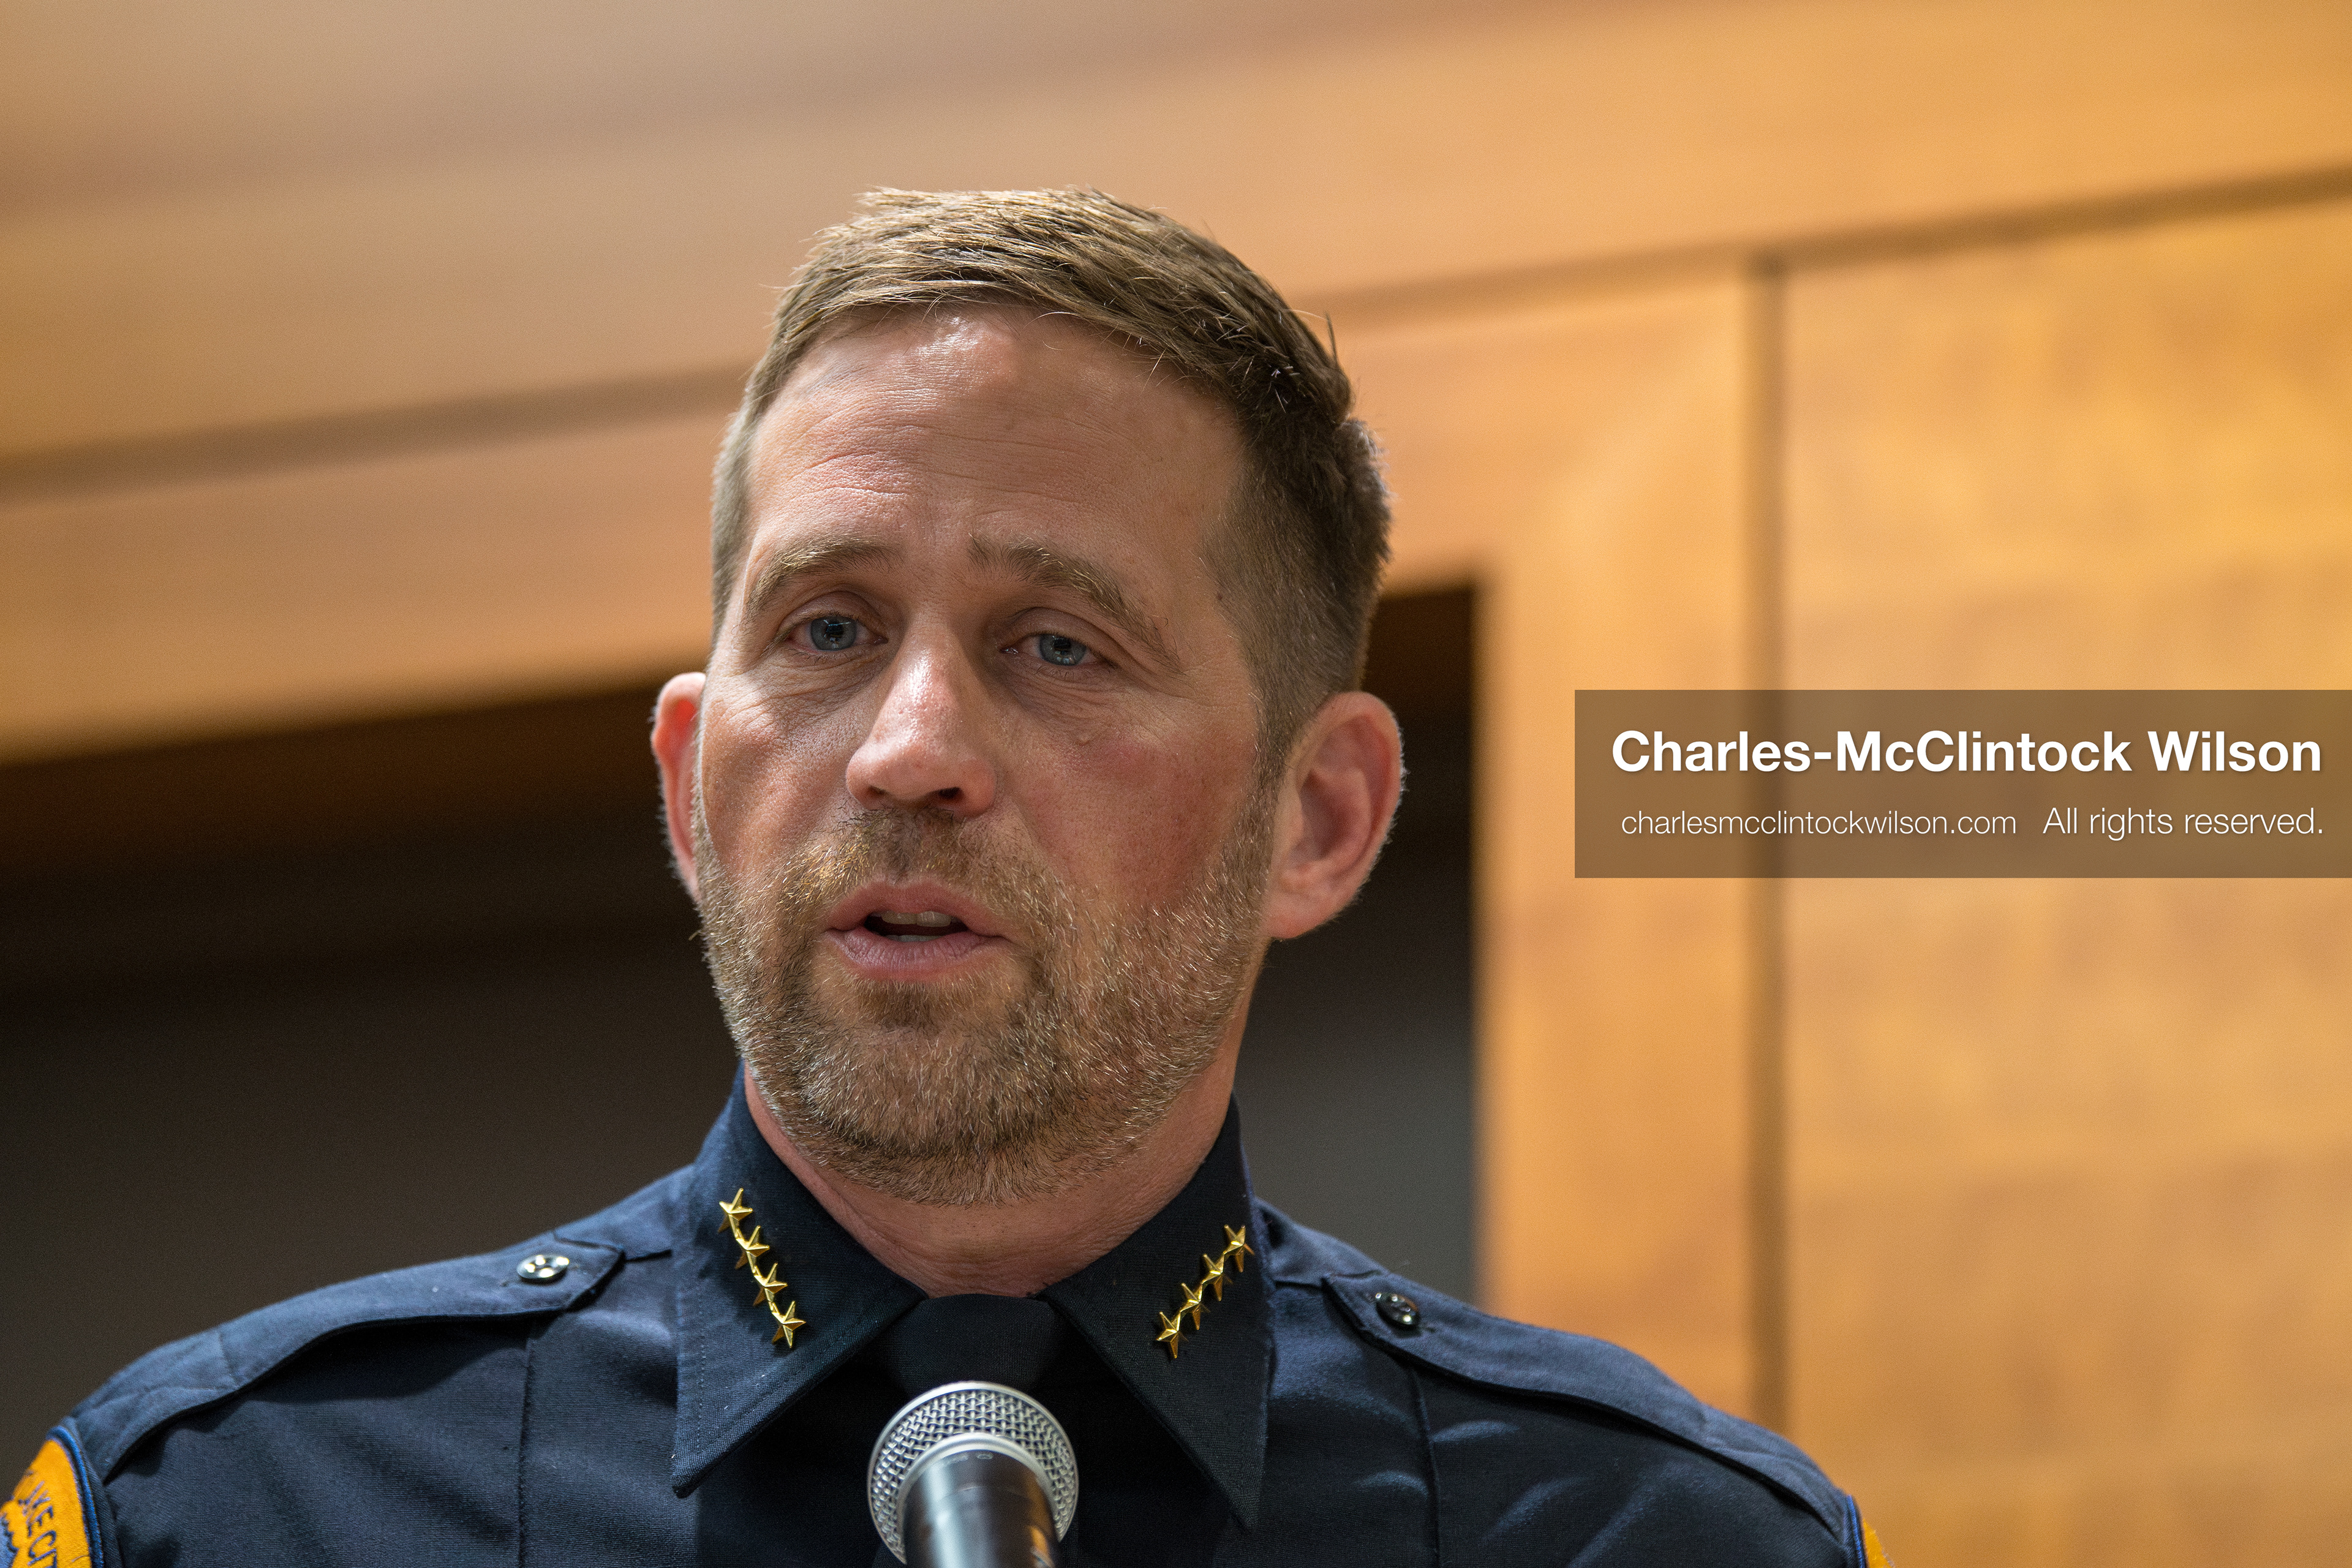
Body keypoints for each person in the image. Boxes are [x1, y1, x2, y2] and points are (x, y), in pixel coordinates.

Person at [15, 189, 1886, 1567]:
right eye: (827, 629)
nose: (911, 749)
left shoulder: (1656, 1543)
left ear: (1316, 818)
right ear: (689, 787)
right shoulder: (226, 1511)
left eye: (1059, 646)